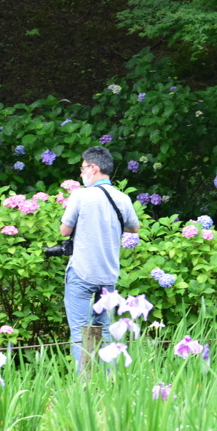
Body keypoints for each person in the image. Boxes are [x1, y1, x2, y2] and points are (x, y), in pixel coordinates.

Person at [59, 146, 140, 368]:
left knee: (80, 331)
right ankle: (108, 382)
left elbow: (64, 231)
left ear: (93, 168)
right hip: (108, 276)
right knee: (106, 330)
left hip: (82, 273)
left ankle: (85, 387)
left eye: (82, 168)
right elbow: (134, 228)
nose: (81, 173)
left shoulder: (80, 195)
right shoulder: (122, 198)